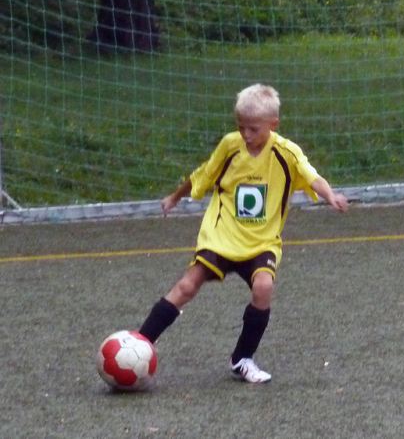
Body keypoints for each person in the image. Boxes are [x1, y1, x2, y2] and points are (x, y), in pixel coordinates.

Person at [138, 83, 349, 383]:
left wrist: (331, 196)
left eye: (253, 129)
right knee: (187, 285)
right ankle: (140, 342)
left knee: (263, 287)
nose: (246, 135)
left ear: (273, 124)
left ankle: (242, 359)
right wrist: (174, 197)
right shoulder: (230, 146)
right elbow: (203, 174)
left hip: (262, 241)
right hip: (221, 235)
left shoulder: (287, 153)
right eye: (241, 127)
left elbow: (313, 177)